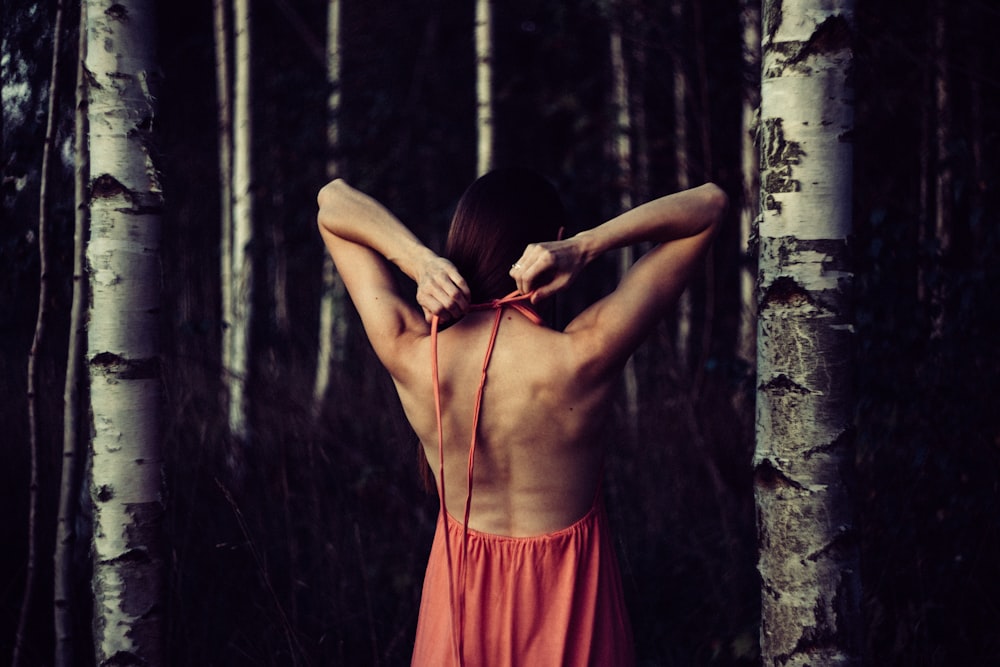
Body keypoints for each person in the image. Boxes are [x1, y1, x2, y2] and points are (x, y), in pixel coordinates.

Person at [317, 168, 726, 666]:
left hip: (458, 620)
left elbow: (333, 203)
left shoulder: (412, 351)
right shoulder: (584, 354)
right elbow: (709, 206)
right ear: (552, 244)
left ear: (461, 246)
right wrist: (587, 245)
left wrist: (419, 262)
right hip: (572, 614)